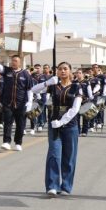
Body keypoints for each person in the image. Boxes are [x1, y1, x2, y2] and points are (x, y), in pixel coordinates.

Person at [30, 63, 82, 197]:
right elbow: (33, 90)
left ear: (70, 71)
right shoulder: (53, 85)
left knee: (69, 156)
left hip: (70, 125)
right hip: (54, 124)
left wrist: (62, 121)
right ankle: (52, 186)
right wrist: (47, 83)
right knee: (54, 154)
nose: (62, 71)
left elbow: (75, 109)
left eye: (65, 69)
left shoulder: (77, 87)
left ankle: (66, 186)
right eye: (60, 69)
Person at [0, 47, 34, 151]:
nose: (13, 62)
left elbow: (29, 90)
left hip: (21, 103)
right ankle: (6, 142)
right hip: (8, 103)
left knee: (20, 124)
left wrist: (29, 102)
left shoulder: (25, 74)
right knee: (8, 122)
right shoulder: (7, 71)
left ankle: (18, 142)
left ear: (19, 63)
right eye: (12, 61)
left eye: (15, 61)